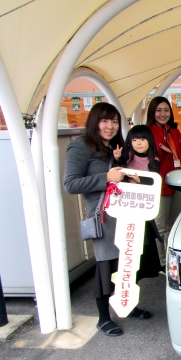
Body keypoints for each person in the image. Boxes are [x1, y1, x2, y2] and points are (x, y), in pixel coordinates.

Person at [64, 103, 152, 337]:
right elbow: (70, 183)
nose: (110, 126)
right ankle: (103, 318)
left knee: (128, 264)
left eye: (114, 121)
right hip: (104, 218)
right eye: (105, 121)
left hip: (128, 214)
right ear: (94, 122)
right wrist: (106, 177)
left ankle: (127, 304)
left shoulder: (118, 146)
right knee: (106, 267)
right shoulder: (80, 146)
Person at [146, 96, 181, 270]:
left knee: (173, 226)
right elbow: (145, 159)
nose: (163, 114)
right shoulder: (148, 132)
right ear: (152, 112)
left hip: (176, 185)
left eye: (166, 110)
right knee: (160, 228)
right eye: (159, 110)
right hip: (159, 187)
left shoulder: (174, 131)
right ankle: (162, 263)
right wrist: (161, 153)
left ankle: (172, 263)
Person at [114, 124, 162, 281]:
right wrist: (116, 159)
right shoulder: (126, 158)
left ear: (150, 141)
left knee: (143, 244)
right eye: (135, 140)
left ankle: (141, 274)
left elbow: (155, 183)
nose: (139, 143)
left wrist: (140, 180)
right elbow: (115, 173)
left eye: (142, 139)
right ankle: (127, 276)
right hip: (126, 209)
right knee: (127, 243)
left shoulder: (153, 160)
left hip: (142, 210)